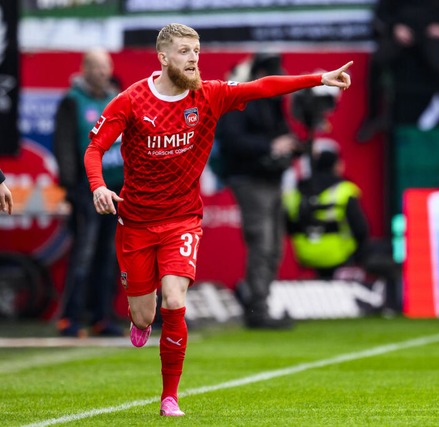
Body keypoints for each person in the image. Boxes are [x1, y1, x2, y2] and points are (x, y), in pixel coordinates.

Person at [84, 23, 352, 417]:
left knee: (175, 301)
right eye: (184, 51)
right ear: (163, 57)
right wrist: (98, 187)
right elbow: (94, 149)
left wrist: (320, 78)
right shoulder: (131, 100)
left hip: (182, 219)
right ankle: (139, 319)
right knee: (145, 313)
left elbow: (263, 86)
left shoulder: (209, 95)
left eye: (196, 50)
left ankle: (169, 397)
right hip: (136, 222)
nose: (194, 57)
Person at [216, 53, 301, 330]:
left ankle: (256, 298)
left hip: (272, 179)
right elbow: (232, 140)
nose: (281, 74)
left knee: (274, 246)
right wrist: (270, 146)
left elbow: (283, 134)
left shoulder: (273, 102)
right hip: (249, 179)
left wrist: (292, 144)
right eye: (275, 70)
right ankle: (257, 310)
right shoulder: (239, 98)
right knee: (262, 244)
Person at [53, 48, 124, 338]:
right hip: (87, 190)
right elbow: (64, 146)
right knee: (84, 253)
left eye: (106, 66)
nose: (103, 72)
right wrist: (72, 188)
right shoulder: (72, 101)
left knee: (109, 254)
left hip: (117, 189)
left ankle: (101, 317)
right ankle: (70, 318)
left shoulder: (115, 99)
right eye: (96, 67)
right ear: (84, 68)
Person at [357, 0, 439, 146]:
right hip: (402, 29)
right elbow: (381, 12)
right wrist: (394, 27)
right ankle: (373, 118)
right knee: (377, 61)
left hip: (431, 31)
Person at [283, 139, 369, 280]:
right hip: (340, 256)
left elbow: (289, 225)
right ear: (336, 165)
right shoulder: (344, 189)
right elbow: (361, 229)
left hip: (306, 255)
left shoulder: (297, 190)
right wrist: (360, 256)